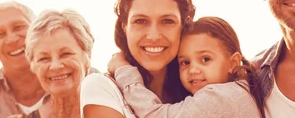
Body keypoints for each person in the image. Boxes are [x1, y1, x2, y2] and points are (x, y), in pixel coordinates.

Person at [79, 0, 197, 118]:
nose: (153, 36)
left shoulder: (203, 89)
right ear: (124, 26)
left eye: (167, 21)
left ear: (183, 27)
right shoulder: (101, 88)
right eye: (140, 21)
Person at [108, 16, 264, 118]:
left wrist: (125, 71)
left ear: (233, 63)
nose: (193, 70)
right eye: (185, 62)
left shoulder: (221, 97)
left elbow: (154, 115)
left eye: (205, 59)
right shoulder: (240, 91)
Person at [12, 9, 95, 118]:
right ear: (33, 66)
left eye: (66, 54)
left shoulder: (115, 111)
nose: (55, 66)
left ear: (87, 57)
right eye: (43, 58)